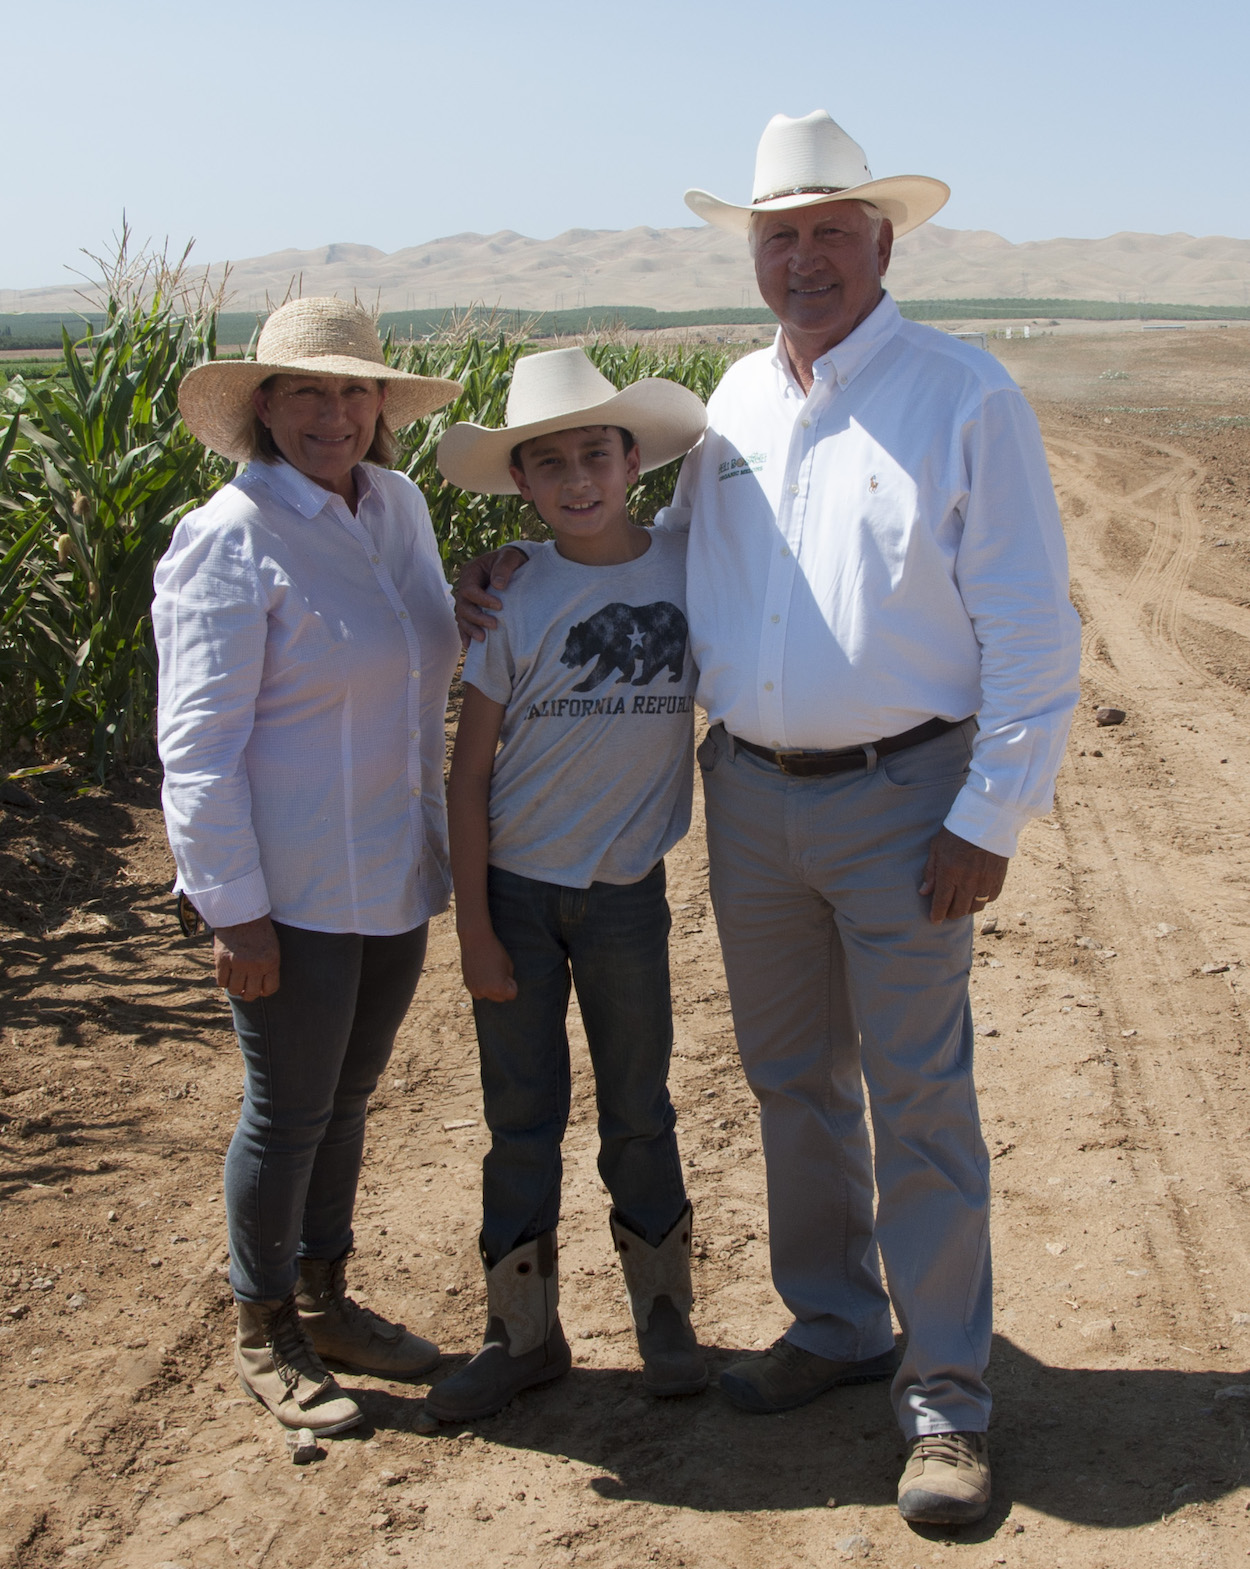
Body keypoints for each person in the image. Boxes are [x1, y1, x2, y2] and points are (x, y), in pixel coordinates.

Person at [457, 113, 1081, 1525]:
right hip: (743, 798)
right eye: (776, 236)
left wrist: (990, 809)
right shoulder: (730, 402)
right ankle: (837, 1324)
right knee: (792, 1079)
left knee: (918, 1096)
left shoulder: (958, 396)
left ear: (880, 241)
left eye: (827, 233)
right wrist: (513, 565)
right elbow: (659, 556)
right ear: (752, 253)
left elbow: (1036, 637)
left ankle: (945, 1397)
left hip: (906, 793)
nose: (801, 258)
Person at [154, 297, 463, 1435]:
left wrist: (479, 606)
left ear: (379, 405)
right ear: (263, 408)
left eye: (352, 390)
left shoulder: (399, 507)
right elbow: (195, 750)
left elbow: (423, 648)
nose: (333, 413)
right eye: (305, 392)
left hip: (391, 867)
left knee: (347, 1101)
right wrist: (232, 913)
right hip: (288, 888)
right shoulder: (229, 539)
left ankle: (328, 1297)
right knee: (286, 1113)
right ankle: (265, 1325)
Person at [424, 348, 709, 1422]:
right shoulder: (515, 596)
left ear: (632, 457)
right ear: (523, 487)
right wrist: (473, 935)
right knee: (520, 1116)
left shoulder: (689, 566)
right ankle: (520, 1330)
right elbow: (467, 776)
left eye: (596, 454)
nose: (578, 480)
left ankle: (663, 1316)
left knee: (640, 1107)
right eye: (550, 466)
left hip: (627, 894)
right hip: (516, 898)